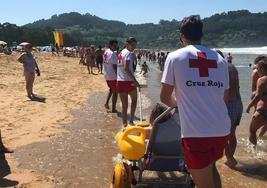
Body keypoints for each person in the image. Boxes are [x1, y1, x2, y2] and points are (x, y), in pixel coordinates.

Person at [160, 15, 230, 188]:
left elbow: (164, 97)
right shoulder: (220, 60)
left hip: (196, 132)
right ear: (202, 35)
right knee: (212, 169)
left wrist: (179, 104)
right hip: (221, 130)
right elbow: (225, 97)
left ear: (181, 35)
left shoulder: (174, 57)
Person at [217, 50, 243, 168]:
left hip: (229, 103)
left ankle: (230, 158)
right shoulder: (232, 66)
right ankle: (230, 158)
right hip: (238, 103)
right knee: (232, 133)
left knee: (223, 133)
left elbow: (222, 89)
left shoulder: (221, 68)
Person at [116, 37, 140, 127]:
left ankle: (124, 125)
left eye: (135, 45)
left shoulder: (121, 52)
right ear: (127, 44)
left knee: (124, 105)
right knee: (134, 100)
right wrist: (135, 81)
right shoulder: (129, 53)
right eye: (132, 45)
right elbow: (126, 68)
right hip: (128, 81)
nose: (134, 47)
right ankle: (131, 121)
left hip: (120, 81)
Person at [246, 58, 267, 145]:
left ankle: (254, 151)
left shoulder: (261, 79)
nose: (257, 71)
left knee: (252, 130)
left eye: (258, 69)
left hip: (262, 111)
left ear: (262, 68)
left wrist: (249, 106)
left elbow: (257, 96)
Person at [103, 40, 119, 113]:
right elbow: (115, 67)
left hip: (107, 74)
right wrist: (119, 76)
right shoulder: (112, 54)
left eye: (116, 46)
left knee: (111, 90)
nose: (116, 47)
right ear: (110, 45)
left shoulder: (106, 52)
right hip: (112, 76)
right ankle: (113, 109)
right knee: (115, 92)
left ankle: (106, 103)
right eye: (114, 46)